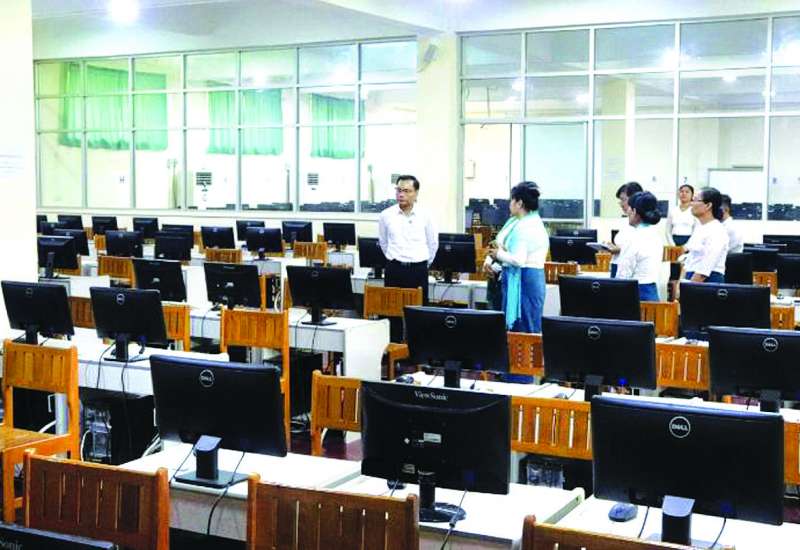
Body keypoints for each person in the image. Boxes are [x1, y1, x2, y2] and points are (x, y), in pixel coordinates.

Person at [483, 182, 548, 333]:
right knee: (516, 329)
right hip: (515, 276)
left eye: (512, 200)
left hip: (526, 279)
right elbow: (501, 243)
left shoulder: (526, 226)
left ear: (519, 203)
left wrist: (498, 254)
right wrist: (492, 258)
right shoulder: (517, 221)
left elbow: (519, 259)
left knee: (525, 327)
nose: (509, 204)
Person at [378, 175, 437, 305]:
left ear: (416, 193)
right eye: (399, 190)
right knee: (392, 310)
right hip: (394, 269)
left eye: (406, 191)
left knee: (418, 312)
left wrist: (424, 264)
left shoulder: (426, 215)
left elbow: (432, 243)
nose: (401, 194)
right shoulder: (386, 215)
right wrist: (394, 258)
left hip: (418, 270)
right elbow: (383, 242)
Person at [615, 191, 663, 302]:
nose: (627, 212)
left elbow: (623, 275)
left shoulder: (632, 238)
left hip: (635, 293)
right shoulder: (656, 235)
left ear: (635, 211)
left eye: (629, 208)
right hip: (652, 292)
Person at [683, 187, 729, 283]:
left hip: (706, 282)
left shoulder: (717, 230)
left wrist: (688, 288)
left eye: (695, 200)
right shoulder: (700, 227)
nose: (691, 204)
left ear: (708, 205)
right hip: (691, 278)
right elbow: (689, 258)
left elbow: (704, 270)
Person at [606, 181, 642, 278]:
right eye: (620, 200)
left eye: (623, 200)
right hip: (617, 264)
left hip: (628, 270)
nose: (621, 204)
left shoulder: (640, 225)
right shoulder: (626, 221)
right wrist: (611, 247)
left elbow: (638, 250)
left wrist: (619, 249)